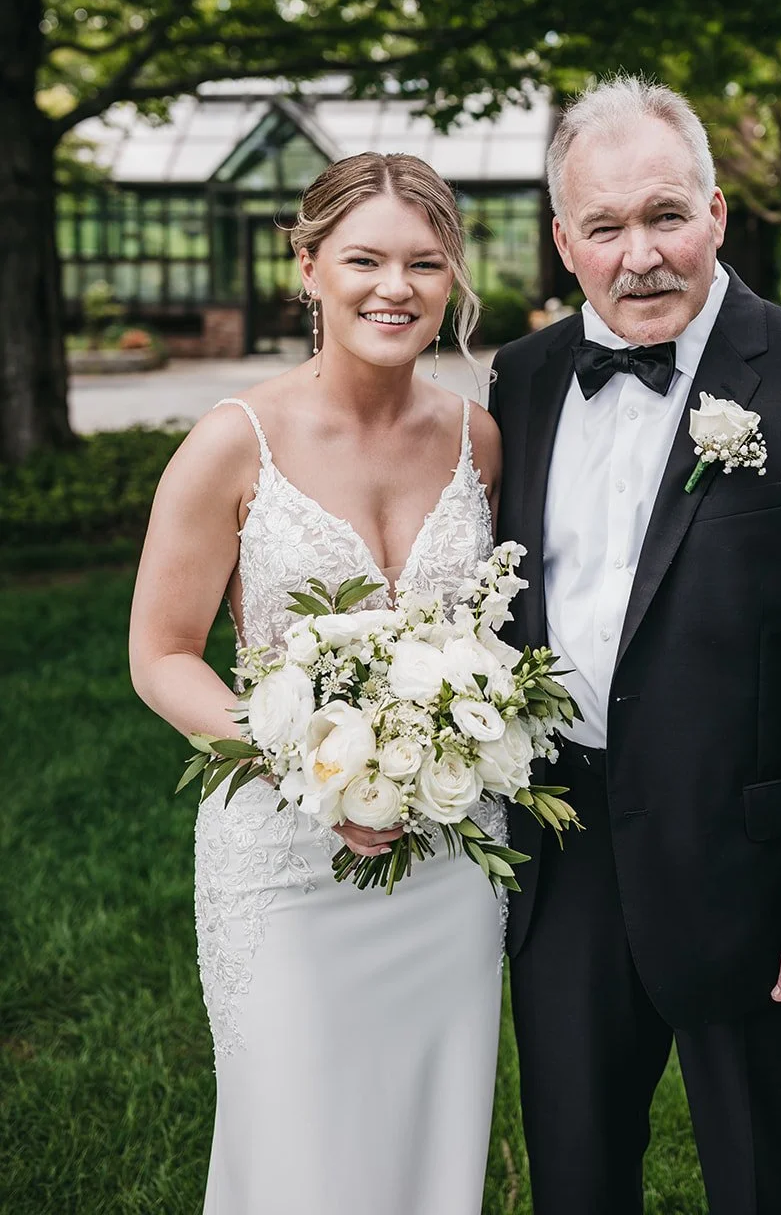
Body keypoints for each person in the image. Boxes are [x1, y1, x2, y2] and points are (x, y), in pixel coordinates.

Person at [490, 75, 781, 1215]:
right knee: (576, 1184)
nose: (639, 255)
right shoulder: (519, 384)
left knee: (767, 1184)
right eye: (604, 227)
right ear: (561, 241)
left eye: (664, 215)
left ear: (716, 214)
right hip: (565, 859)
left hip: (756, 870)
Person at [129, 153, 504, 1215]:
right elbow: (160, 652)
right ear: (306, 266)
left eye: (425, 263)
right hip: (280, 859)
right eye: (365, 259)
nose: (396, 286)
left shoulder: (477, 440)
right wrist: (314, 769)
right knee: (294, 1150)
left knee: (427, 1140)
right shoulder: (230, 443)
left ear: (452, 277)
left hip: (446, 861)